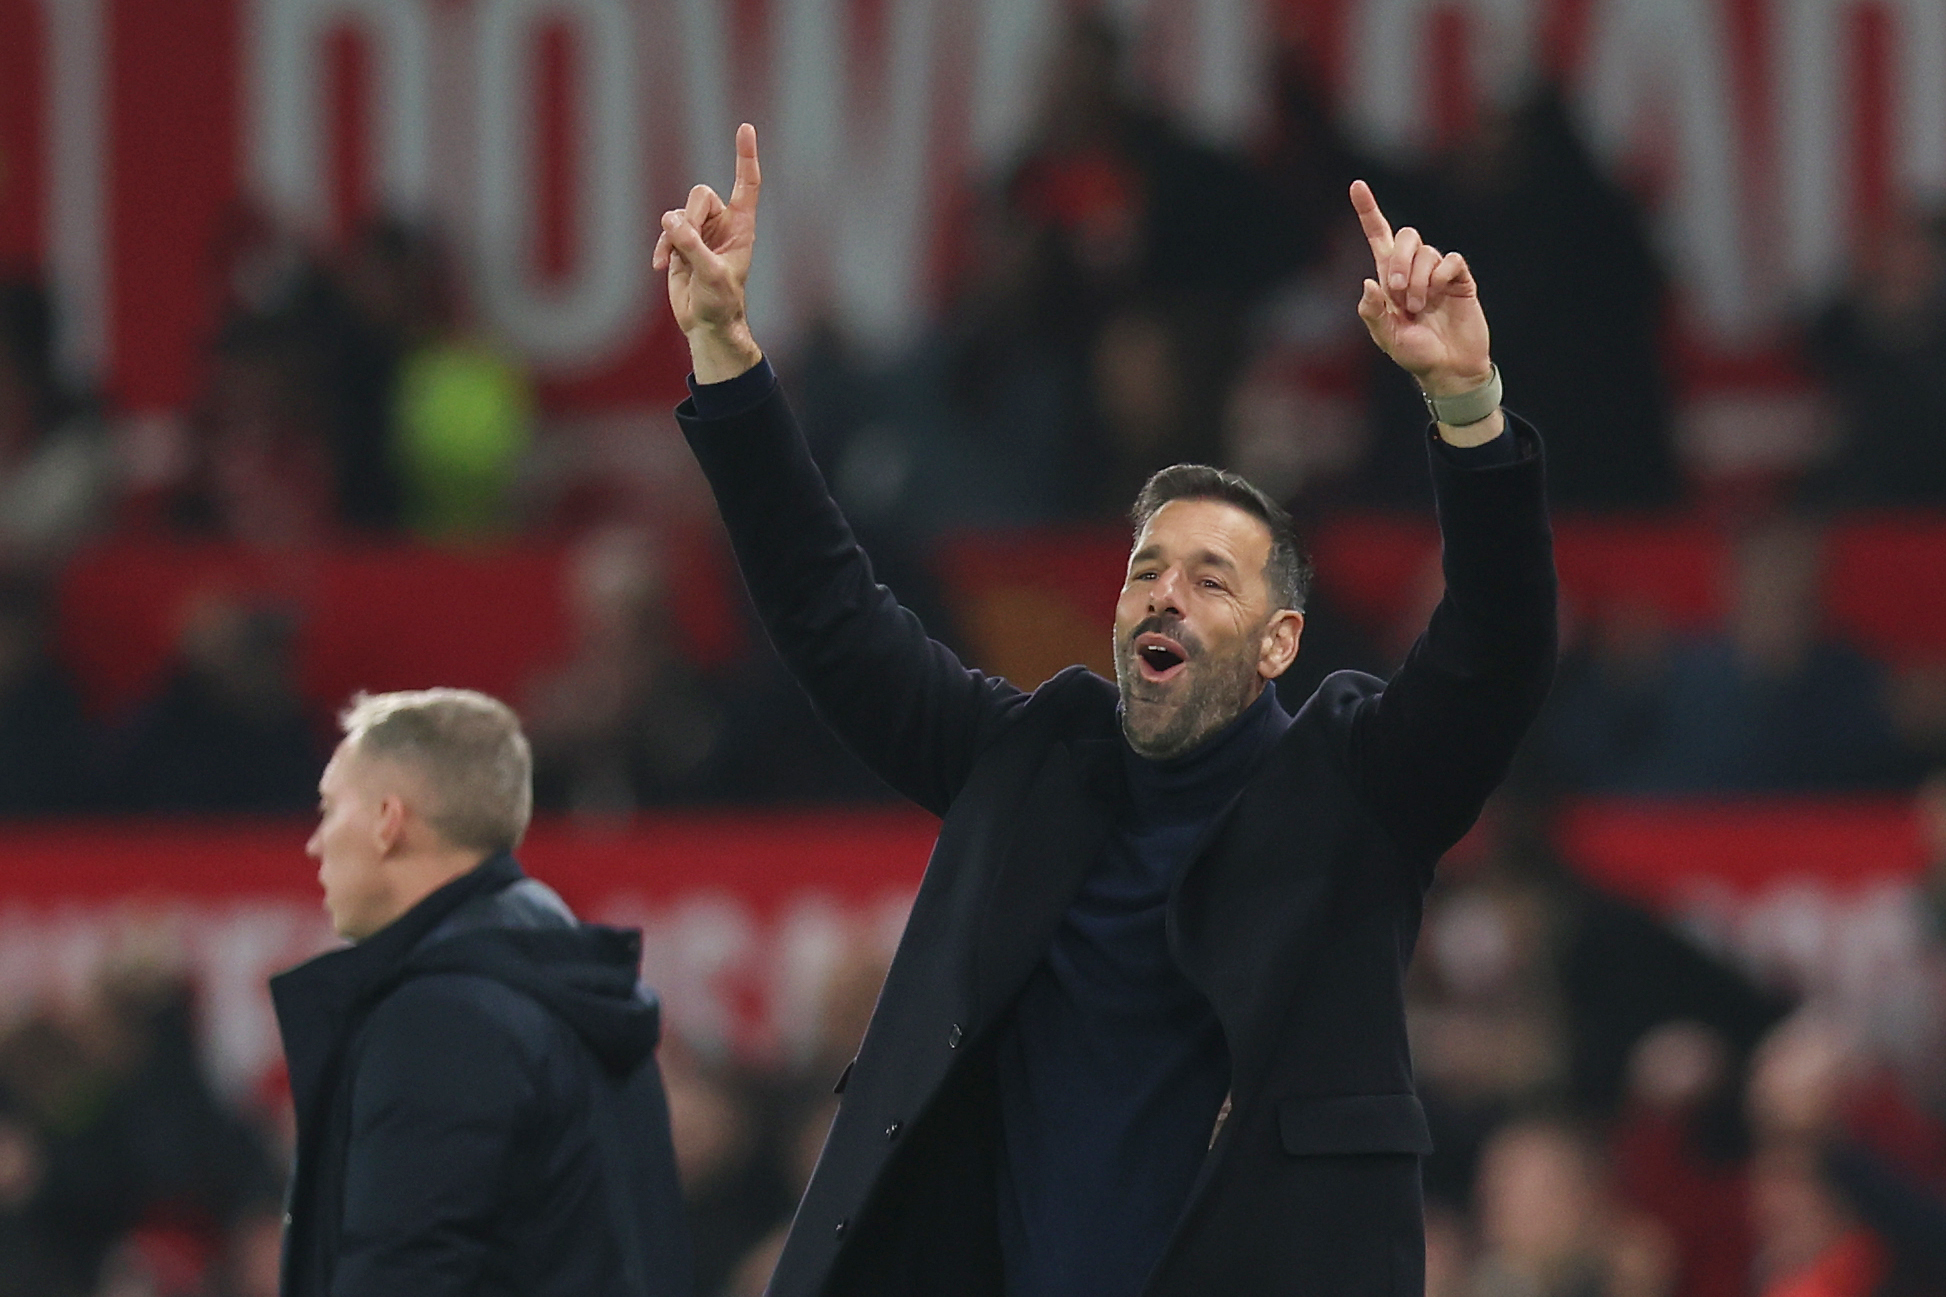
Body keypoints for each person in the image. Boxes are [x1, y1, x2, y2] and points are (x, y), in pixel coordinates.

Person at [656, 126, 1556, 1295]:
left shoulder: (1353, 787)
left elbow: (1497, 654)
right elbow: (830, 612)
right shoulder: (1027, 759)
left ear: (1281, 639)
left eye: (1209, 577)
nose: (1161, 593)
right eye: (1144, 570)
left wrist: (1463, 403)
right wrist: (726, 355)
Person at [269, 689, 690, 1297]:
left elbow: (404, 1273)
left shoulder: (441, 1019)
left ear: (389, 821)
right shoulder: (572, 989)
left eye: (330, 808)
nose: (316, 843)